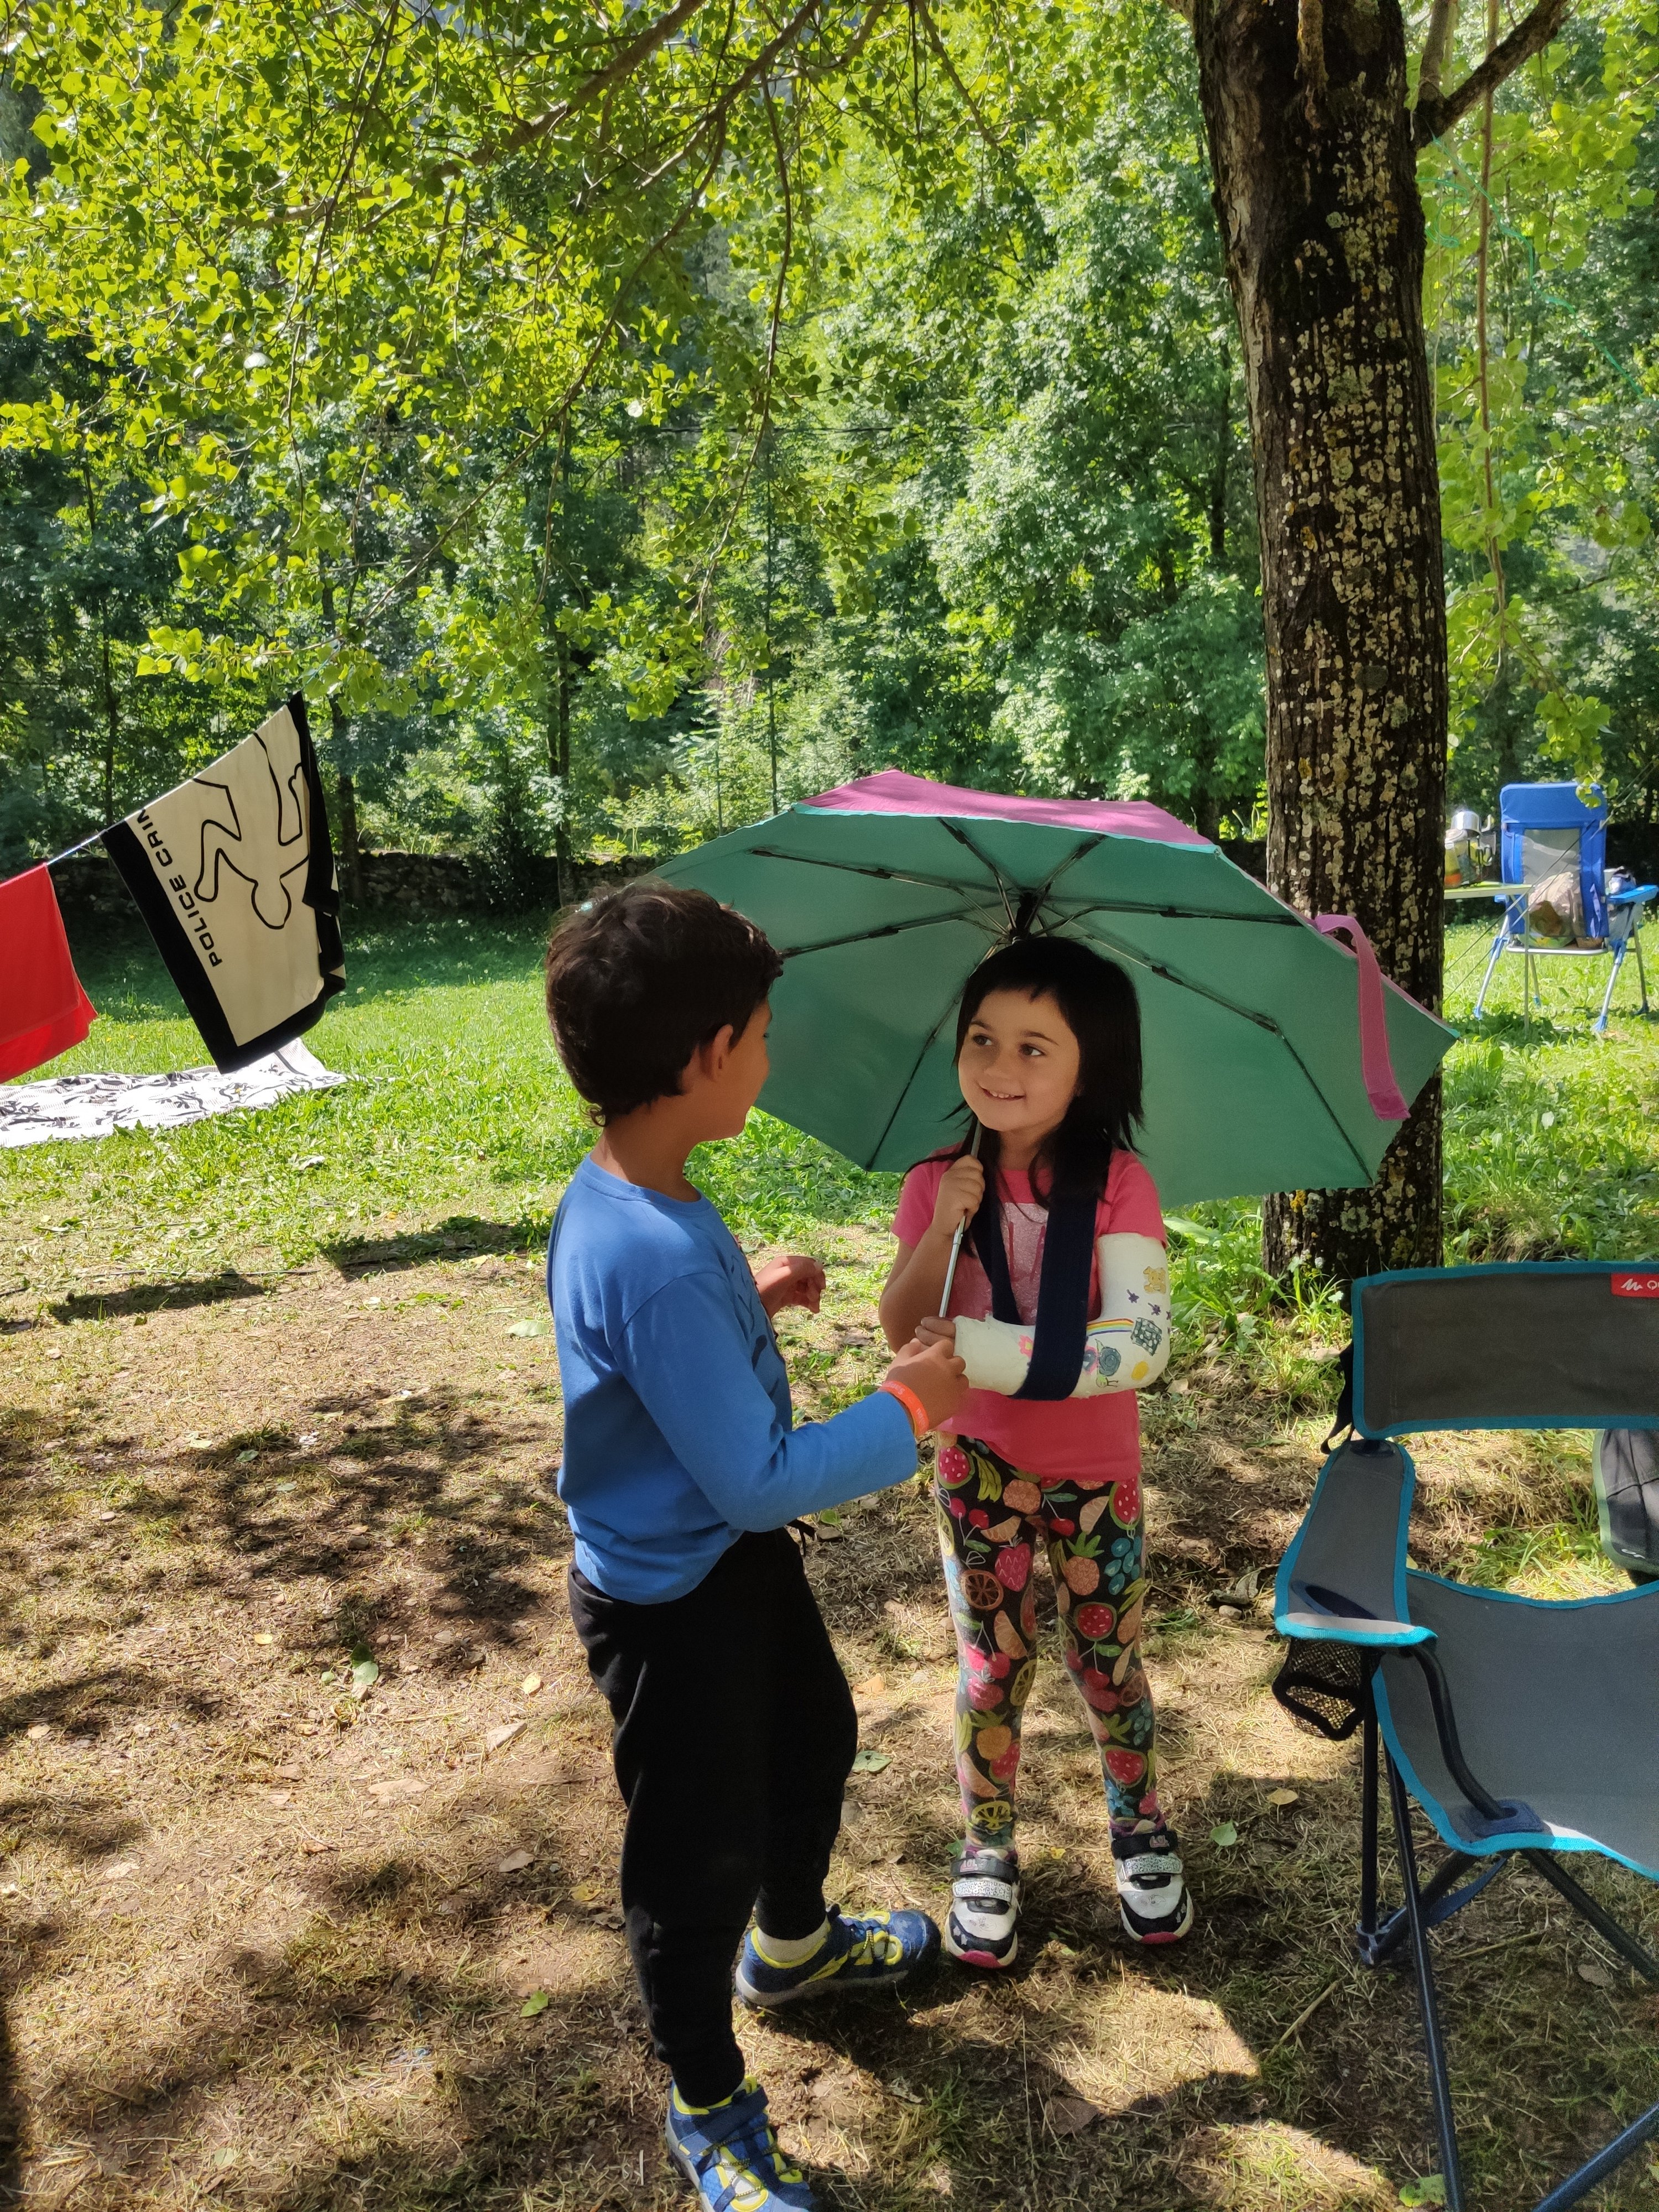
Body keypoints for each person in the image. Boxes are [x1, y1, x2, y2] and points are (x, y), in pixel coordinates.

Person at [544, 881, 968, 2212]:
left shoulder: (637, 1194)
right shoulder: (656, 1252)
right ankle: (708, 2097)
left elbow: (662, 1363)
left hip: (731, 1564)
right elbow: (754, 1475)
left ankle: (791, 1946)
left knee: (816, 1734)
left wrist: (755, 1295)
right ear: (708, 1053)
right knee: (694, 1859)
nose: (772, 1058)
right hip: (673, 1601)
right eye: (766, 1036)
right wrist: (906, 1408)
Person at [879, 935, 1187, 1970]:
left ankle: (1139, 1827)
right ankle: (987, 1846)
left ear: (1091, 1069)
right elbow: (901, 1329)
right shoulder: (938, 1183)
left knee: (1109, 1662)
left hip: (1099, 1474)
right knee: (990, 1668)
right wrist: (941, 1230)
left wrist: (982, 1350)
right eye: (981, 1038)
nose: (998, 1066)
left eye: (1033, 1047)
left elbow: (1142, 1342)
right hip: (978, 1465)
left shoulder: (1120, 1184)